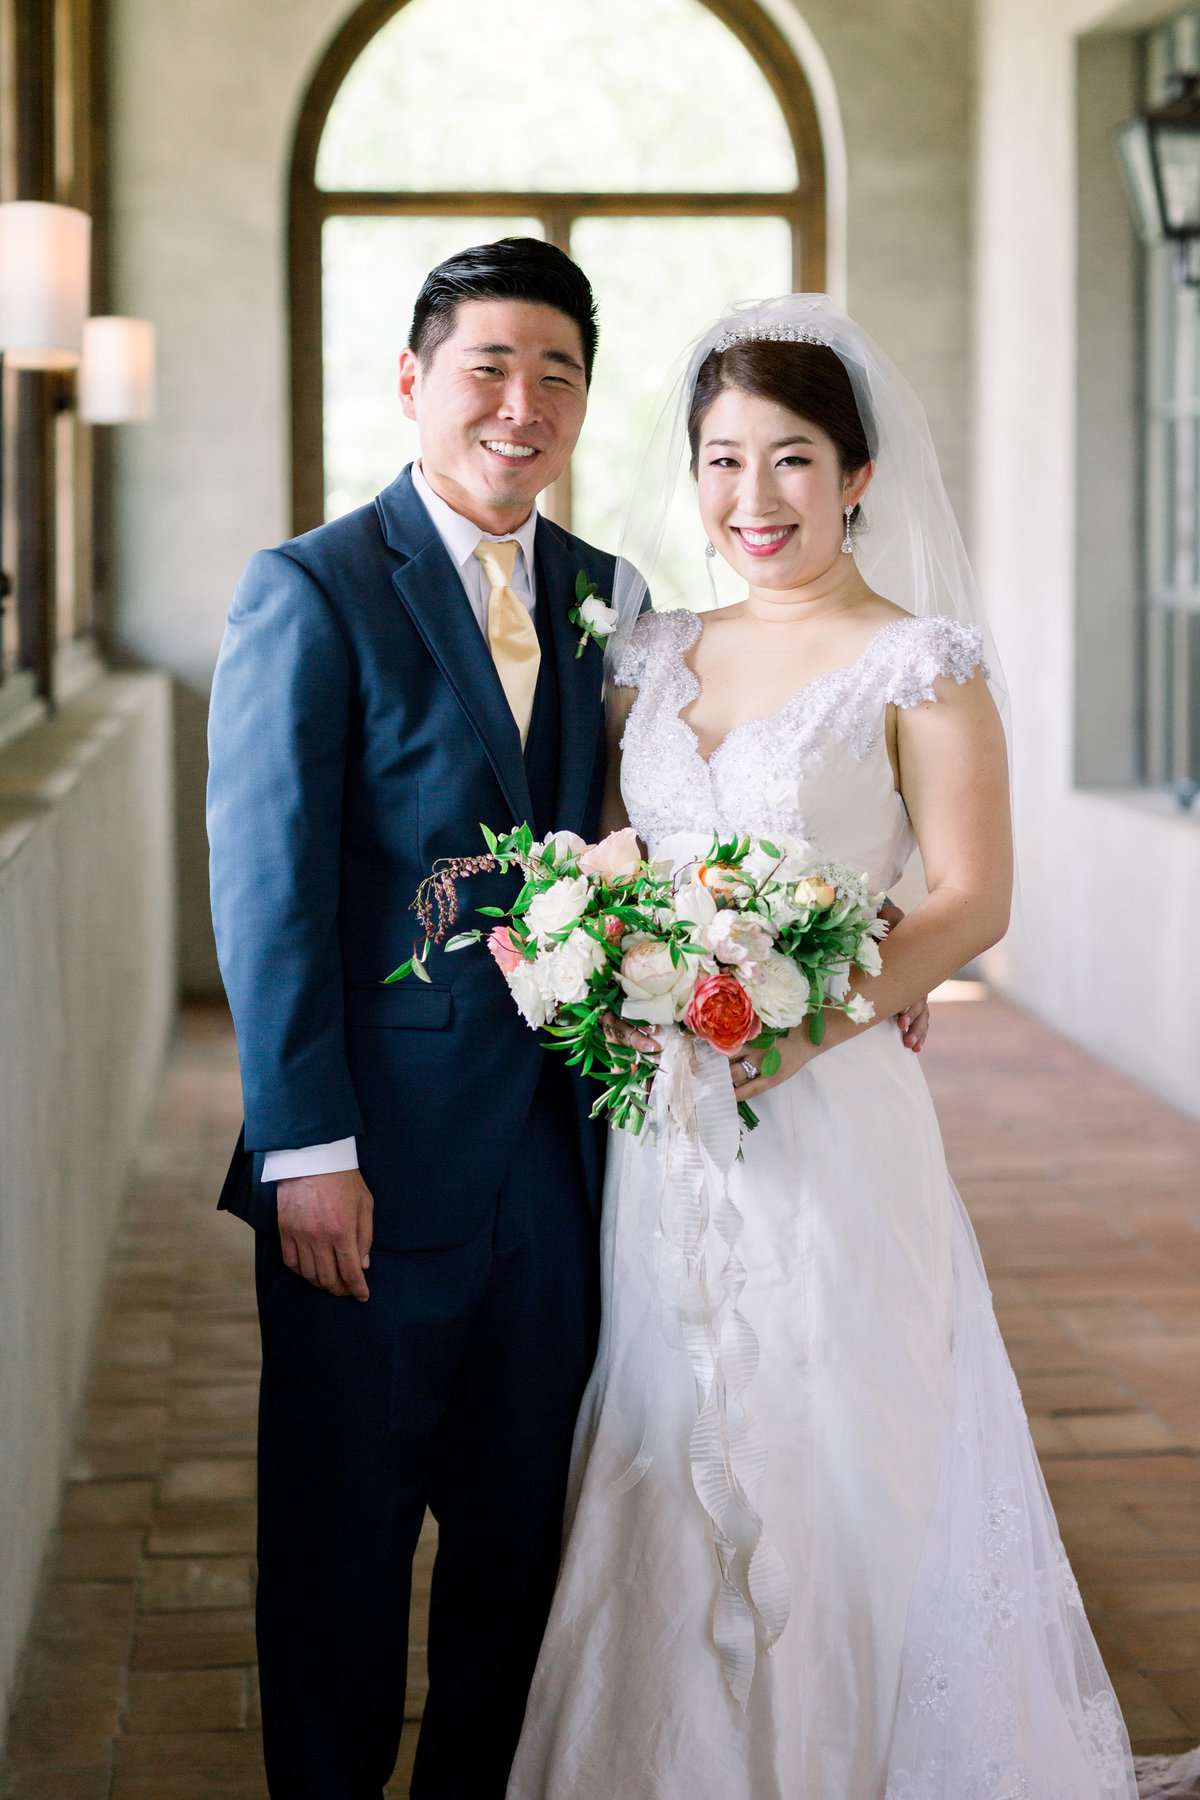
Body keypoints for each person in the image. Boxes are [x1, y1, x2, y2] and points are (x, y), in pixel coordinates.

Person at [506, 297, 1146, 1800]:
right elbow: (622, 857)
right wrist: (611, 966)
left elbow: (972, 895)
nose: (754, 499)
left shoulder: (921, 664)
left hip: (825, 1109)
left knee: (835, 1429)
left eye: (791, 460)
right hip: (664, 1124)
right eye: (723, 461)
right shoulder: (654, 655)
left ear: (857, 474)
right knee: (669, 1419)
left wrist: (798, 1025)